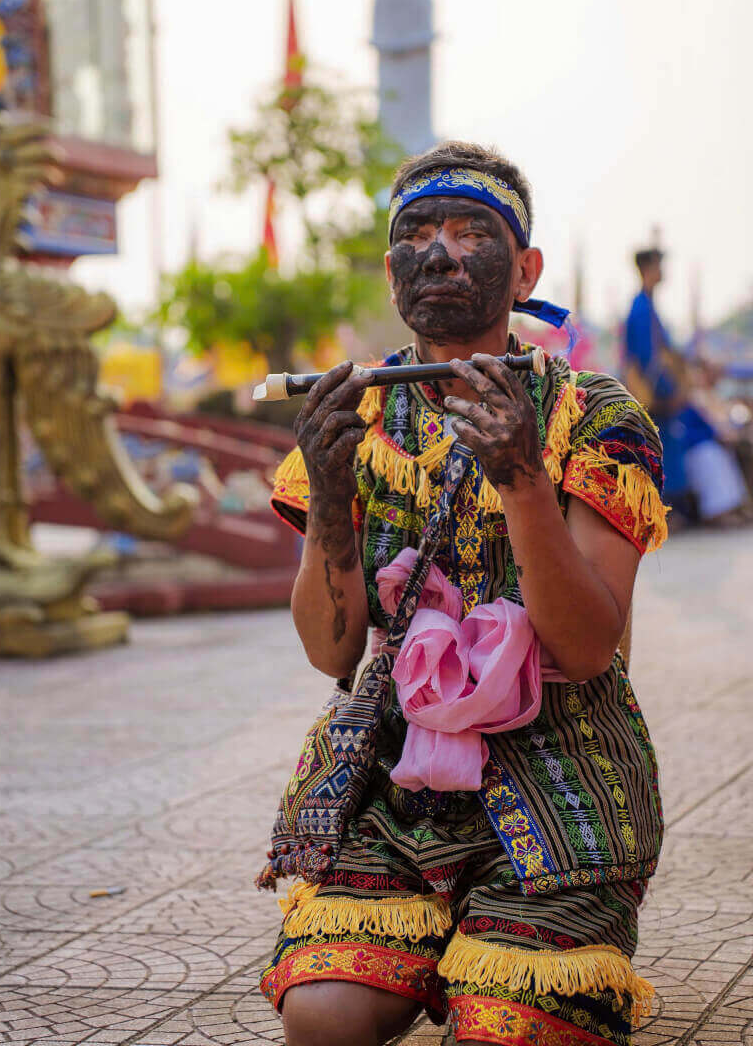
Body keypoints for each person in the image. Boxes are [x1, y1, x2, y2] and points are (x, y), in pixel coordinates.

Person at [260, 141, 667, 1046]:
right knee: (322, 1020)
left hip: (561, 777)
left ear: (526, 272)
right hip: (395, 781)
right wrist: (328, 493)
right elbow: (331, 652)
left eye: (471, 233)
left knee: (505, 1031)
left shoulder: (593, 416)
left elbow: (586, 649)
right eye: (416, 235)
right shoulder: (358, 414)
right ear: (392, 271)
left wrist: (522, 479)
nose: (439, 253)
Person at [625, 244, 748, 524]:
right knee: (659, 452)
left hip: (661, 398)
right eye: (658, 266)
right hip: (656, 399)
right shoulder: (641, 309)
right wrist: (668, 392)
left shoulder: (648, 306)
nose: (662, 271)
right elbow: (648, 358)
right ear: (648, 269)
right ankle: (662, 515)